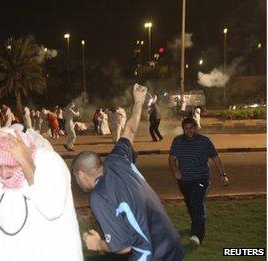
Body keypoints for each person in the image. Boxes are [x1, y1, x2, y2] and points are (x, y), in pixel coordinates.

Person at [71, 84, 183, 260]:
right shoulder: (117, 159)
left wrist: (97, 244)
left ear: (81, 174)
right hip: (173, 244)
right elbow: (130, 131)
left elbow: (122, 246)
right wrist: (138, 102)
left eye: (75, 178)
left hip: (150, 255)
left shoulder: (99, 196)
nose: (77, 183)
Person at [0, 126, 83, 261]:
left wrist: (26, 162)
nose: (4, 173)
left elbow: (52, 209)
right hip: (12, 253)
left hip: (52, 253)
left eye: (10, 166)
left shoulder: (49, 162)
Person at [169, 117, 229, 246]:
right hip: (184, 181)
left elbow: (215, 157)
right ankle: (197, 219)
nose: (189, 131)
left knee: (196, 203)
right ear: (183, 129)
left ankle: (197, 235)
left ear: (196, 128)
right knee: (191, 205)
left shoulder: (205, 141)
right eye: (186, 128)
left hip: (201, 179)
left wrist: (222, 174)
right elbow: (172, 158)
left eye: (192, 128)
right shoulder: (177, 141)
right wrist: (175, 171)